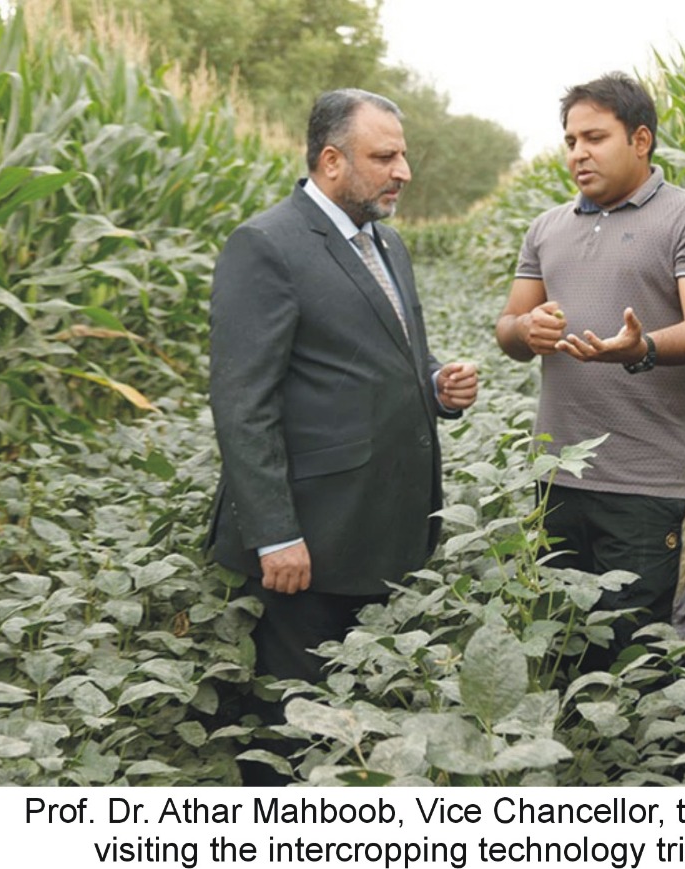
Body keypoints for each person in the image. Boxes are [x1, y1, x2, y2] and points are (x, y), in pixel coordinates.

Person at [206, 88, 477, 783]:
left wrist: (436, 383)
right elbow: (243, 403)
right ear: (332, 161)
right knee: (292, 734)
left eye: (403, 155)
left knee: (359, 724)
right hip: (308, 541)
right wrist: (275, 533)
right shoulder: (267, 244)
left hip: (379, 530)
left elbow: (391, 357)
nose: (403, 171)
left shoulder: (386, 242)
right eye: (384, 157)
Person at [495, 72, 685, 672]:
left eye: (595, 138)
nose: (578, 153)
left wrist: (640, 347)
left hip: (648, 487)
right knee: (562, 661)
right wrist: (527, 330)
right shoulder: (546, 228)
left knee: (642, 666)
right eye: (570, 141)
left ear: (641, 140)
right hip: (556, 482)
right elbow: (508, 327)